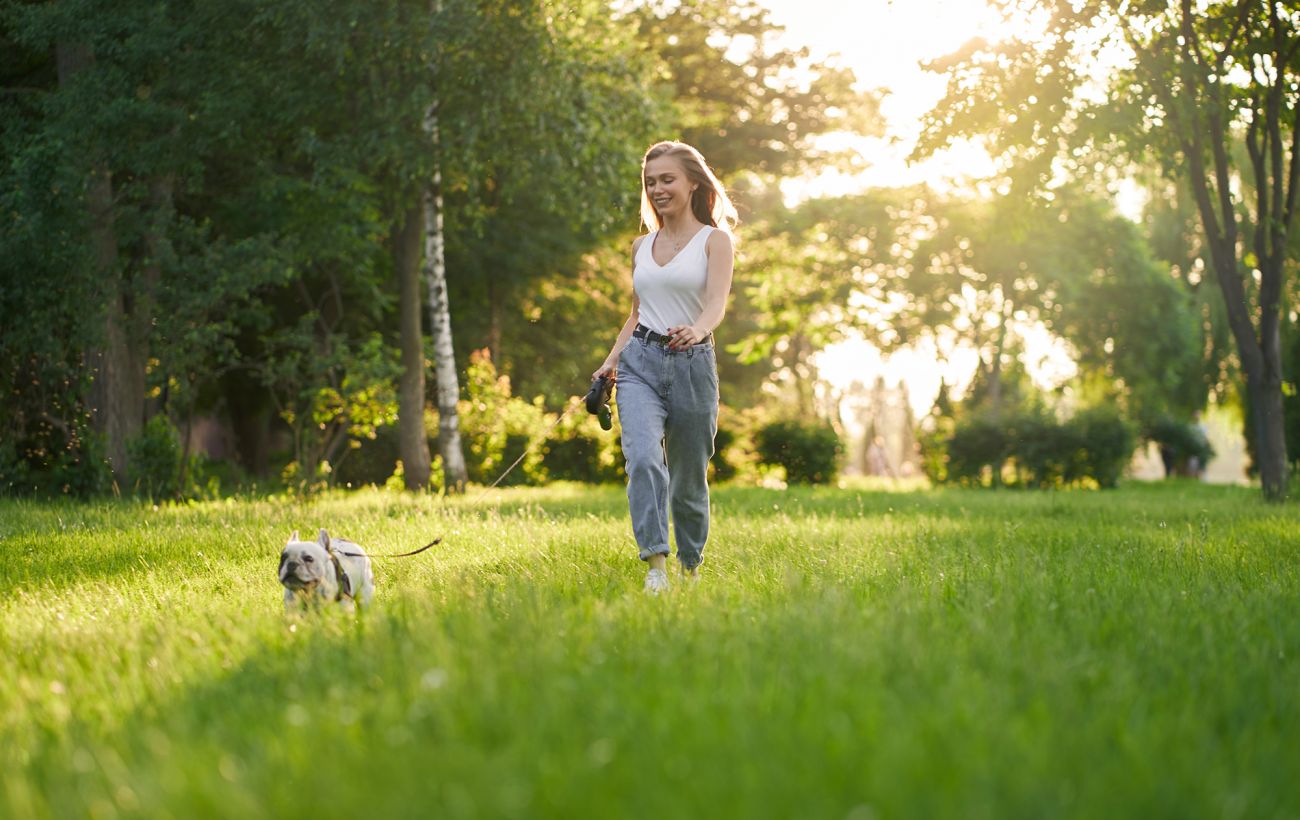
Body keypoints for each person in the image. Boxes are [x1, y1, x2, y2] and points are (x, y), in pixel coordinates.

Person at [594, 141, 737, 593]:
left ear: (693, 182)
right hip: (640, 362)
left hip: (692, 365)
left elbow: (716, 303)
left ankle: (690, 568)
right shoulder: (641, 246)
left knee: (689, 478)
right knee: (642, 460)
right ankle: (656, 566)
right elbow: (636, 313)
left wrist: (697, 329)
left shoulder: (715, 242)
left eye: (667, 179)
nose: (657, 189)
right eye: (650, 182)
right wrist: (611, 362)